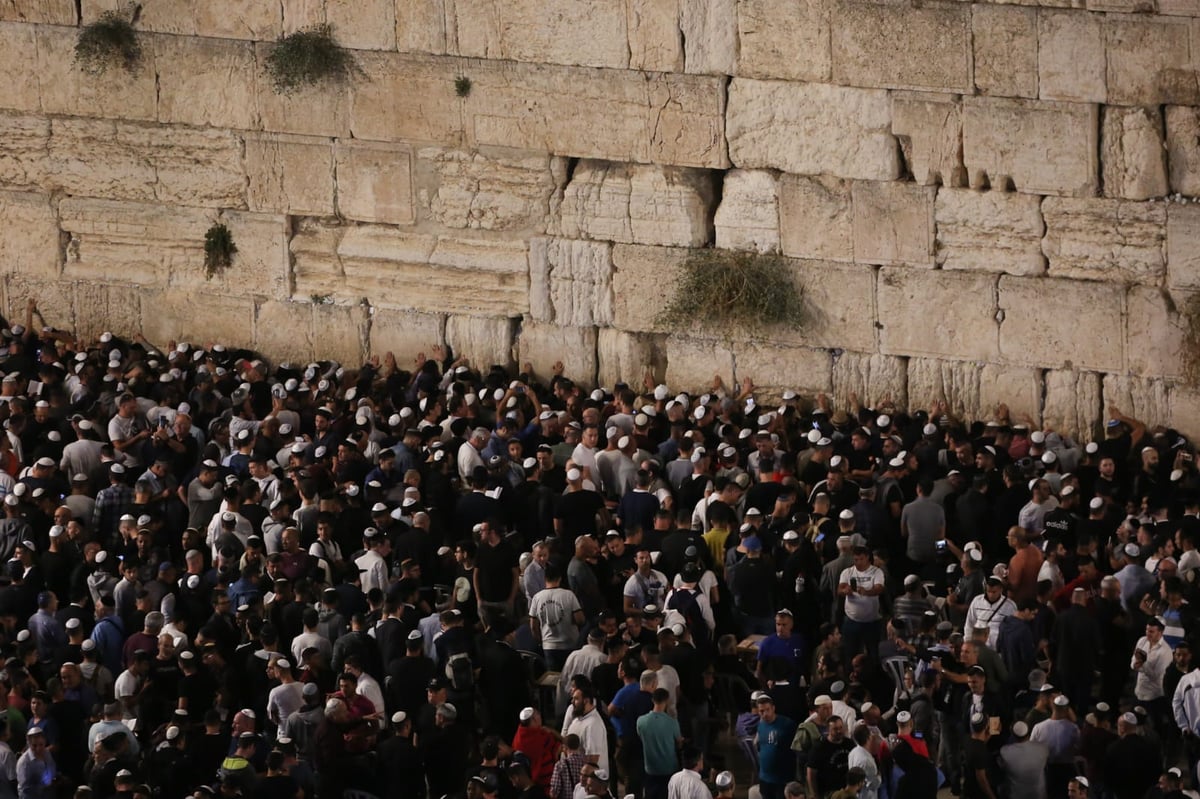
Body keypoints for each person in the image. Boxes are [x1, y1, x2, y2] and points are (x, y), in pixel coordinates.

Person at [755, 693, 797, 799]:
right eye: (762, 711)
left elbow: (796, 749)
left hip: (782, 779)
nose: (765, 714)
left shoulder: (787, 724)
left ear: (773, 708)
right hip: (765, 778)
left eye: (767, 709)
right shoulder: (760, 725)